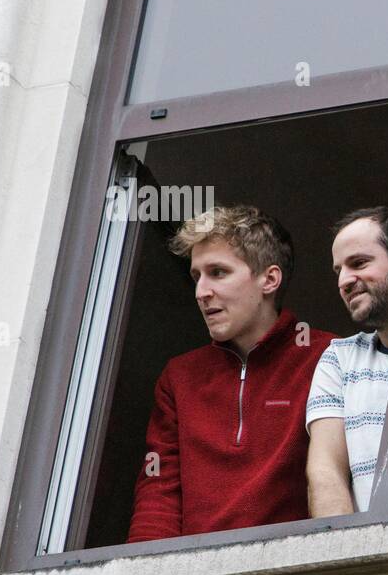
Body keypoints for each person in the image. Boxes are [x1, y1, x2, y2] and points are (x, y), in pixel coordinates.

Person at [128, 206, 335, 543]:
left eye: (218, 272)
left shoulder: (329, 355)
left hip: (293, 573)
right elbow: (159, 490)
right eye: (197, 276)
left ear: (269, 279)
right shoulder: (179, 377)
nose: (201, 292)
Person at [306, 204, 388, 514]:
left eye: (358, 263)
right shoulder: (339, 359)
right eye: (339, 270)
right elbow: (325, 472)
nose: (344, 281)